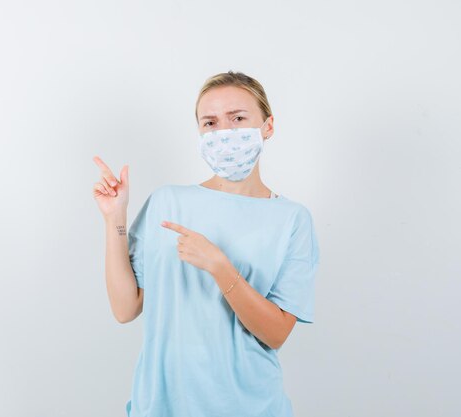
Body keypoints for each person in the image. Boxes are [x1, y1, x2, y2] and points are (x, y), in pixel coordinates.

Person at [92, 70, 320, 417]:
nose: (223, 132)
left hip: (249, 407)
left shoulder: (292, 219)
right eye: (210, 122)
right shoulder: (168, 202)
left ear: (268, 126)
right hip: (161, 406)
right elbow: (125, 309)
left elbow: (276, 333)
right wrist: (115, 219)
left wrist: (220, 266)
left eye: (238, 118)